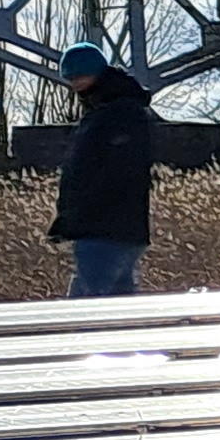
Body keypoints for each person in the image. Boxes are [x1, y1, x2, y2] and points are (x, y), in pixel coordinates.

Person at [45, 41, 157, 300]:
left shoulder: (116, 114)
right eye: (70, 78)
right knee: (117, 305)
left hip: (103, 229)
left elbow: (110, 171)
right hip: (119, 228)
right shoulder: (117, 110)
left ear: (95, 74)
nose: (74, 84)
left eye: (79, 76)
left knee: (88, 306)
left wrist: (78, 213)